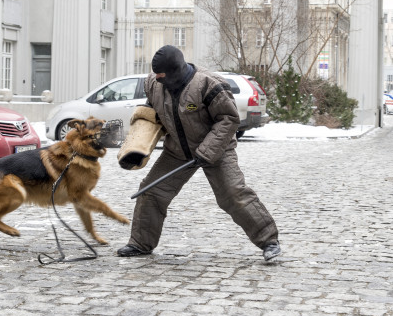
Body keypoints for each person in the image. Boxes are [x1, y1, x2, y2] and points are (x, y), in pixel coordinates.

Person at [116, 45, 281, 261]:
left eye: (163, 76)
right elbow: (151, 113)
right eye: (156, 75)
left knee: (233, 194)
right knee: (151, 191)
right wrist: (137, 147)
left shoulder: (208, 84)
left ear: (175, 71)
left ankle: (269, 241)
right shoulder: (154, 84)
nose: (158, 80)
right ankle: (140, 243)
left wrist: (206, 151)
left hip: (217, 148)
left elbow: (229, 119)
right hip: (177, 151)